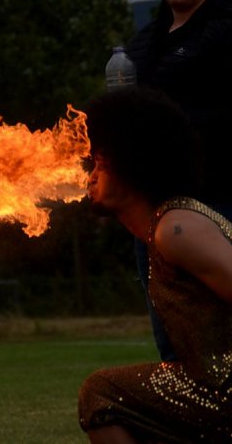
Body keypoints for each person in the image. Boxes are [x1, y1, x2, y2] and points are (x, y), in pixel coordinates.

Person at [78, 87, 232, 443]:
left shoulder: (175, 229)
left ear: (133, 164)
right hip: (210, 385)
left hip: (223, 392)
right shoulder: (164, 228)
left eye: (101, 164)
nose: (90, 176)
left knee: (100, 392)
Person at [124, 0, 232, 361]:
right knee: (172, 344)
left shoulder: (227, 30)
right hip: (153, 214)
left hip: (217, 203)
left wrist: (167, 129)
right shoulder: (144, 42)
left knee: (221, 335)